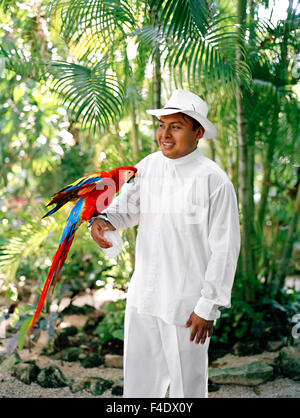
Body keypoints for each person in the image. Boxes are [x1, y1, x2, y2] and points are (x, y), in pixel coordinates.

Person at [89, 89, 241, 398]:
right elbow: (125, 207)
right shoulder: (148, 166)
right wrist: (103, 222)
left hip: (187, 307)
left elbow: (225, 249)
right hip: (144, 297)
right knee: (140, 385)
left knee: (187, 388)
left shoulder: (215, 181)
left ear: (198, 133)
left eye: (176, 126)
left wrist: (207, 307)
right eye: (161, 125)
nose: (165, 135)